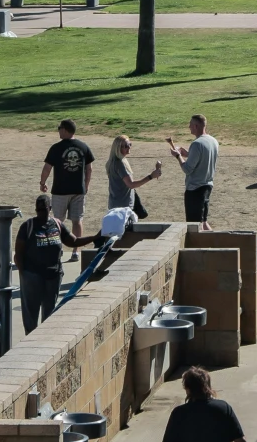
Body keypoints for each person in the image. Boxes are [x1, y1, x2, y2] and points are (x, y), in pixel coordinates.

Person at [13, 194, 97, 332]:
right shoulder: (27, 227)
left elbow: (73, 241)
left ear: (50, 208)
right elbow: (18, 254)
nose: (41, 212)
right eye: (38, 210)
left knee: (49, 316)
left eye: (44, 209)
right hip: (32, 277)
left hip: (53, 277)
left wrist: (95, 237)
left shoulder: (57, 224)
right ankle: (30, 343)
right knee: (30, 317)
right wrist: (25, 275)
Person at [40, 119, 97, 239]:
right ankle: (76, 250)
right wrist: (86, 185)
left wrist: (42, 182)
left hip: (60, 191)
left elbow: (47, 168)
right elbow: (89, 169)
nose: (58, 131)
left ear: (65, 130)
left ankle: (58, 248)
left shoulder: (56, 148)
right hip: (78, 190)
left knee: (57, 221)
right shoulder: (83, 147)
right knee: (77, 221)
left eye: (59, 128)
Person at [168, 114, 219, 227]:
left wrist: (178, 156)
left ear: (196, 126)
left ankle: (203, 245)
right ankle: (215, 243)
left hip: (195, 189)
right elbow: (202, 158)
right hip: (207, 186)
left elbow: (187, 169)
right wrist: (187, 154)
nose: (189, 126)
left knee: (195, 226)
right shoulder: (213, 141)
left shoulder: (197, 144)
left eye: (190, 124)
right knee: (204, 222)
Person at [106, 134, 163, 216]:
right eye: (125, 146)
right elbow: (131, 184)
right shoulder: (120, 163)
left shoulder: (116, 161)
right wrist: (150, 176)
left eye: (130, 144)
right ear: (118, 148)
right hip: (122, 207)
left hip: (116, 204)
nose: (129, 147)